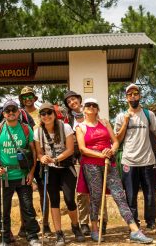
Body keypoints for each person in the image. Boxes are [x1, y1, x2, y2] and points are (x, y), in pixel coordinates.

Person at [76, 98, 153, 244]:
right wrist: (100, 154)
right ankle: (94, 229)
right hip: (91, 165)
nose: (91, 107)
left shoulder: (105, 123)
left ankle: (135, 230)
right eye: (88, 105)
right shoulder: (81, 127)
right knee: (96, 197)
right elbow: (82, 148)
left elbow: (116, 140)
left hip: (109, 163)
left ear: (98, 109)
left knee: (119, 195)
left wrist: (111, 151)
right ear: (84, 109)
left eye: (94, 105)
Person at [0, 100, 41, 246]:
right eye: (7, 110)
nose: (11, 113)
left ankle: (32, 236)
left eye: (13, 110)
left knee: (27, 206)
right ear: (3, 113)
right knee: (3, 209)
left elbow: (33, 152)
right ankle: (4, 237)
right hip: (4, 176)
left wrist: (31, 172)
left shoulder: (26, 129)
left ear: (18, 112)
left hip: (23, 175)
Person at [34, 102, 85, 245]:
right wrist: (42, 158)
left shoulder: (65, 127)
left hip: (66, 168)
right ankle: (59, 233)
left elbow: (69, 149)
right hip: (49, 170)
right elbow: (38, 152)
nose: (46, 116)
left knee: (69, 199)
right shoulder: (38, 131)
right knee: (54, 200)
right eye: (43, 114)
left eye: (49, 113)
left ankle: (75, 226)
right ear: (40, 116)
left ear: (54, 114)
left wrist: (55, 159)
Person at [114, 84, 156, 230]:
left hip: (148, 160)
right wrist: (126, 122)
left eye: (135, 93)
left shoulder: (148, 114)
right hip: (129, 161)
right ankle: (134, 223)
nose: (133, 96)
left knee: (150, 194)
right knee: (131, 195)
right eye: (129, 94)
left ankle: (151, 221)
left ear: (140, 96)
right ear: (126, 98)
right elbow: (117, 139)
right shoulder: (121, 116)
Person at [19, 86, 51, 236]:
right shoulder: (18, 114)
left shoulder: (42, 113)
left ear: (35, 98)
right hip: (25, 158)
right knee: (24, 193)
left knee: (44, 192)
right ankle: (25, 224)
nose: (28, 99)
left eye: (30, 95)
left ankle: (45, 223)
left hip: (42, 156)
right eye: (24, 96)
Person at [63, 90, 92, 236]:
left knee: (96, 190)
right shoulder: (67, 119)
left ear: (79, 99)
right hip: (77, 158)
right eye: (69, 102)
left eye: (73, 99)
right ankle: (84, 222)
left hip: (94, 155)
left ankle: (99, 221)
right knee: (81, 191)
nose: (72, 103)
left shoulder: (90, 111)